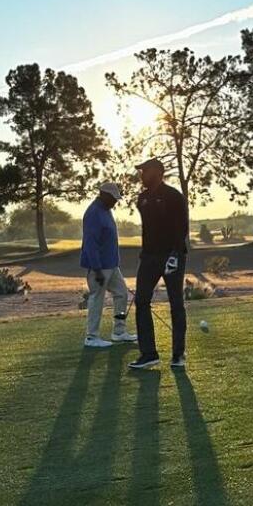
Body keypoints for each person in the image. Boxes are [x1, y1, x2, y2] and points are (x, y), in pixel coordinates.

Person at [128, 157, 189, 372]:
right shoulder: (142, 198)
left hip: (172, 256)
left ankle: (178, 354)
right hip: (149, 257)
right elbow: (149, 229)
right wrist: (145, 253)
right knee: (141, 301)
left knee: (176, 303)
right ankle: (149, 354)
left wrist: (175, 254)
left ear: (156, 172)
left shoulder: (174, 196)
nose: (141, 175)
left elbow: (181, 228)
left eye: (144, 171)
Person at [79, 180, 135, 350]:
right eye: (113, 198)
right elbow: (91, 243)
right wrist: (97, 270)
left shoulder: (106, 210)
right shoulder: (94, 213)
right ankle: (91, 337)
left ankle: (119, 332)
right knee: (97, 298)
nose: (115, 202)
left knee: (121, 293)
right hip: (99, 267)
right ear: (103, 195)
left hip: (111, 265)